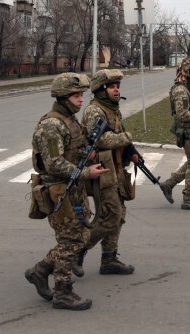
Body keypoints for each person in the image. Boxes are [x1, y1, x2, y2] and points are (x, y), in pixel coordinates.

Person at [25, 73, 107, 310]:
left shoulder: (70, 120)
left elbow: (71, 152)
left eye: (81, 94)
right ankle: (63, 292)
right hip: (60, 191)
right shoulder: (52, 125)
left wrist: (86, 155)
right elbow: (54, 163)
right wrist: (85, 173)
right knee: (69, 241)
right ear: (62, 97)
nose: (81, 99)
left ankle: (40, 271)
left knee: (79, 238)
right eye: (75, 95)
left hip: (73, 189)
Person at [73, 69, 137, 277]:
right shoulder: (94, 110)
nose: (116, 89)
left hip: (115, 168)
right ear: (101, 90)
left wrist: (130, 151)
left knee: (119, 215)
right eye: (112, 86)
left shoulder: (112, 109)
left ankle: (109, 258)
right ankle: (77, 251)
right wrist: (127, 137)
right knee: (111, 215)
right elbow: (100, 140)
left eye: (118, 86)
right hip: (101, 170)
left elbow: (115, 134)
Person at [159, 56, 190, 210]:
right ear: (186, 72)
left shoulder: (188, 88)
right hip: (186, 131)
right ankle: (187, 198)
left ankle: (169, 184)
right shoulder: (181, 90)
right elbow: (182, 115)